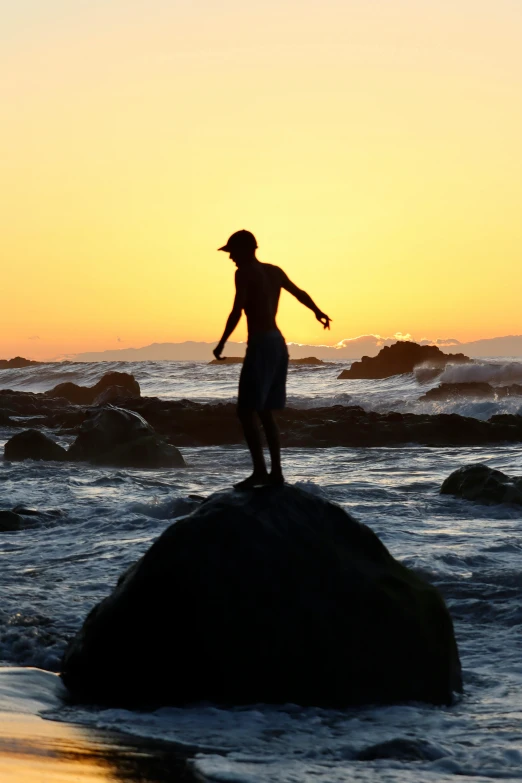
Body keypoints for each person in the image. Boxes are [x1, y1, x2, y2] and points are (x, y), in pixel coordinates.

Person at [214, 230, 332, 489]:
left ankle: (260, 472)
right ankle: (275, 473)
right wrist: (318, 312)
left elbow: (237, 309)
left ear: (246, 249)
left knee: (245, 411)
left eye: (232, 251)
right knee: (265, 411)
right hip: (278, 344)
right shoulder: (274, 271)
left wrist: (222, 342)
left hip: (261, 343)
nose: (230, 257)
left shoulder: (244, 273)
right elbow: (300, 293)